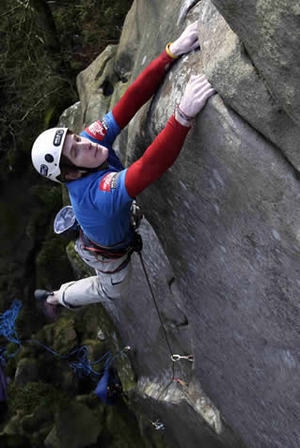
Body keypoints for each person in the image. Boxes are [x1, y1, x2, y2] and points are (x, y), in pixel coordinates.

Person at [31, 22, 215, 311]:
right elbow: (148, 168)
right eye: (75, 150)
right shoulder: (99, 195)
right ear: (70, 174)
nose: (86, 143)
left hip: (94, 221)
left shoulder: (87, 145)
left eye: (75, 137)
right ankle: (57, 297)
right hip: (108, 257)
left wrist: (172, 51)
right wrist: (183, 114)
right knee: (112, 289)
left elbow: (128, 104)